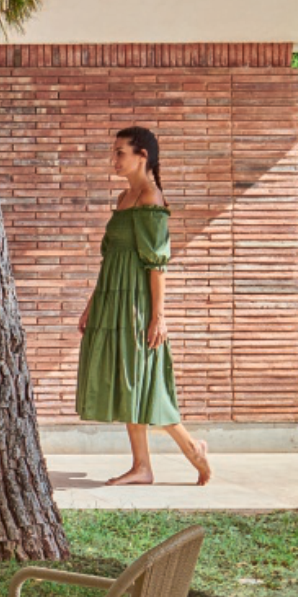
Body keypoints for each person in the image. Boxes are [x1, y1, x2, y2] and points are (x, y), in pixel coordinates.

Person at [77, 126, 212, 485]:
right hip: (112, 301)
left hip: (136, 305)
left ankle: (193, 449)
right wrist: (92, 304)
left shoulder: (151, 197)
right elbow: (111, 259)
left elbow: (157, 265)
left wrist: (158, 317)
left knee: (145, 380)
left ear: (142, 156)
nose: (114, 158)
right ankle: (142, 467)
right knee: (128, 382)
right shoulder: (124, 198)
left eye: (120, 152)